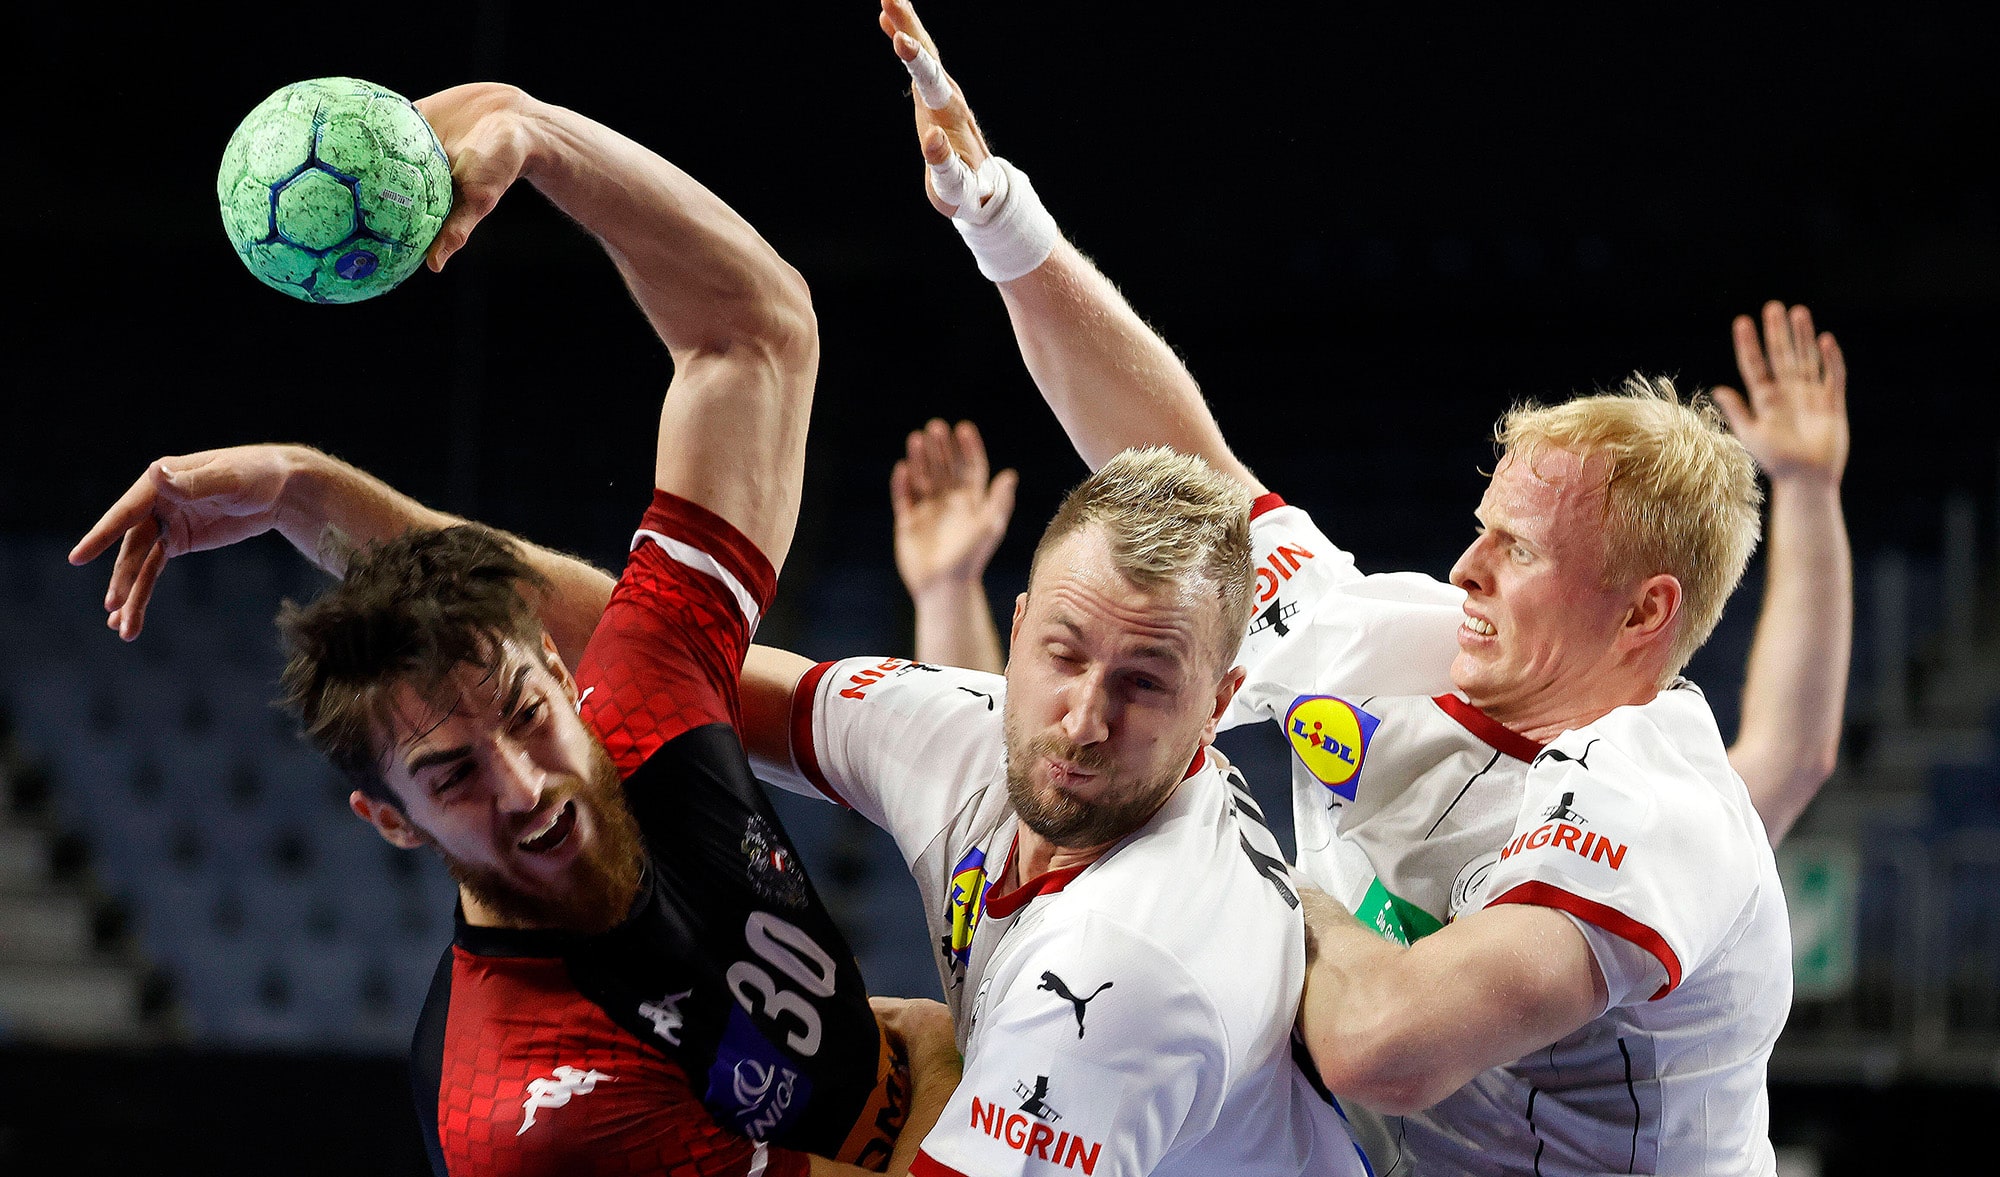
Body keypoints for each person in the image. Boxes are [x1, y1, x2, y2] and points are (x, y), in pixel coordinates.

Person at [873, 2, 1852, 1172]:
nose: (1464, 569)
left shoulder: (1656, 806)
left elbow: (1378, 1042)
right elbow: (1195, 471)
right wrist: (1002, 223)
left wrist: (1253, 886)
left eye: (1520, 551)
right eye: (1480, 531)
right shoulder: (1408, 638)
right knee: (915, 1054)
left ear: (1643, 613)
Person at [72, 81, 956, 1177]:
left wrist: (539, 137)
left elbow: (752, 336)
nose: (524, 783)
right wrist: (951, 1068)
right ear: (389, 821)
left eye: (530, 717)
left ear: (559, 672)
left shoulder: (642, 708)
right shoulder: (524, 1111)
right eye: (450, 776)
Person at [742, 446, 1372, 1177]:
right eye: (1065, 654)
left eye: (1142, 682)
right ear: (1018, 633)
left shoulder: (1127, 963)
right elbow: (679, 670)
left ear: (1218, 706)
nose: (1082, 721)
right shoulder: (996, 740)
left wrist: (932, 1047)